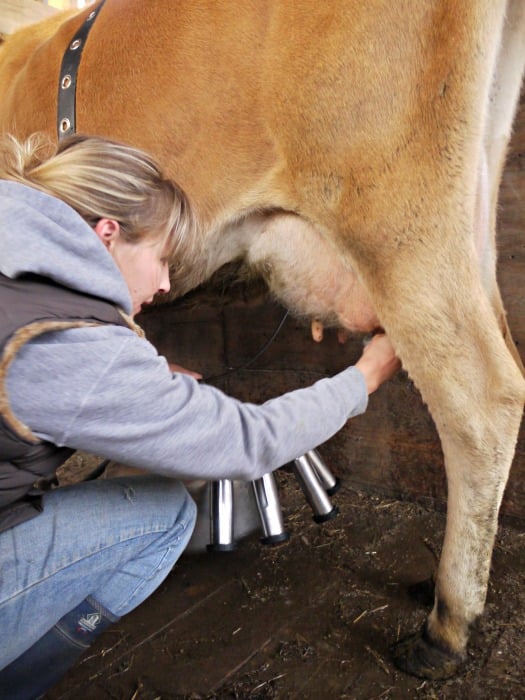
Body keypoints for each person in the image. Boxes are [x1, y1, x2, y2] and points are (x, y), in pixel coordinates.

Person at [0, 133, 400, 699]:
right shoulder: (68, 346)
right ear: (107, 233)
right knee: (166, 515)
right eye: (161, 257)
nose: (165, 284)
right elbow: (248, 442)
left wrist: (140, 381)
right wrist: (366, 376)